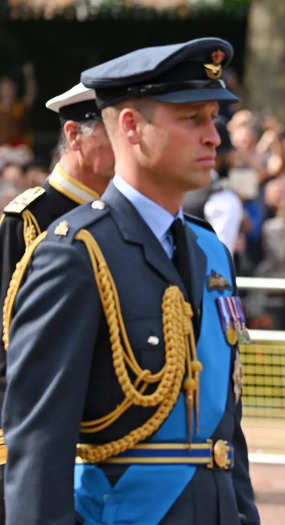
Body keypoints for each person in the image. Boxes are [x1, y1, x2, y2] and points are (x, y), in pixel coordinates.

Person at [2, 38, 259, 524]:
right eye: (192, 119)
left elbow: (225, 436)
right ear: (131, 126)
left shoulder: (210, 250)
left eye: (214, 118)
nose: (214, 137)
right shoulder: (76, 253)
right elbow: (39, 443)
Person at [0, 80, 114, 524]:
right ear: (74, 136)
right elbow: (12, 341)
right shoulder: (31, 219)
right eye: (111, 134)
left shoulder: (117, 215)